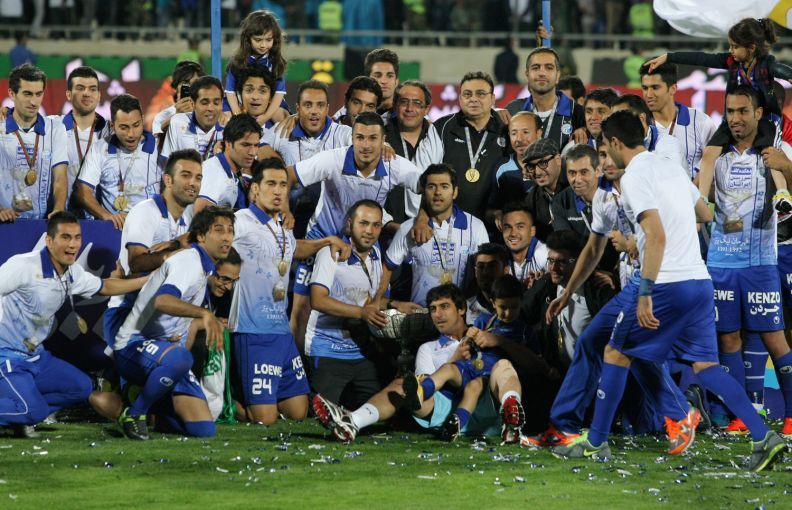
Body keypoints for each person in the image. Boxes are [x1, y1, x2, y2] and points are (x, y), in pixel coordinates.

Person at [551, 110, 786, 473]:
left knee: (615, 352)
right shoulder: (669, 168)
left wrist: (645, 293)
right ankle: (763, 436)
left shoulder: (635, 176)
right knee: (706, 366)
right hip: (698, 281)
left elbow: (656, 235)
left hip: (664, 283)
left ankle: (596, 443)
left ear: (614, 142)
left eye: (605, 149)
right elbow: (703, 213)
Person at [530, 114, 692, 451]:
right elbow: (593, 249)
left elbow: (686, 221)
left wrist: (642, 255)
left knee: (634, 350)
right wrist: (567, 293)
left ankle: (679, 413)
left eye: (604, 155)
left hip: (656, 285)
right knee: (595, 343)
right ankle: (565, 426)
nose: (604, 162)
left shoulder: (643, 181)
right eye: (600, 155)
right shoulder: (605, 199)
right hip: (634, 287)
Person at [312, 283, 524, 444]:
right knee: (402, 386)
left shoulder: (486, 332)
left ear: (461, 309)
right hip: (447, 410)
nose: (437, 314)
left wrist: (499, 341)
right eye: (432, 309)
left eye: (444, 307)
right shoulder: (427, 349)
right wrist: (455, 358)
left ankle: (512, 417)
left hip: (487, 406)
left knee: (503, 365)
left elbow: (533, 366)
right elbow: (423, 387)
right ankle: (353, 422)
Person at [0, 212, 147, 437]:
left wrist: (149, 281)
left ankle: (21, 416)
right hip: (7, 358)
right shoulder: (23, 265)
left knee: (81, 387)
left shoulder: (72, 272)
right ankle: (25, 412)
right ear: (49, 241)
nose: (73, 244)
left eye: (77, 237)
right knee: (32, 410)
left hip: (36, 357)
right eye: (65, 237)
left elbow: (105, 287)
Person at [286, 112, 422, 353]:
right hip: (323, 237)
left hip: (365, 242)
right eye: (360, 137)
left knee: (373, 305)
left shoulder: (395, 165)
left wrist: (422, 218)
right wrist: (285, 211)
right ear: (352, 138)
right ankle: (299, 367)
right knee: (302, 309)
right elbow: (288, 175)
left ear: (383, 140)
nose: (366, 145)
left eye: (373, 138)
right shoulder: (332, 159)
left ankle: (365, 362)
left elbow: (430, 185)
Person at [228, 158, 350, 425]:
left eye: (283, 185)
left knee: (298, 411)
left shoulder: (281, 226)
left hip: (281, 332)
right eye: (271, 184)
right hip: (252, 331)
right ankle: (221, 402)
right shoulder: (241, 221)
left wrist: (326, 241)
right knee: (265, 419)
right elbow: (210, 242)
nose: (278, 191)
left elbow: (295, 249)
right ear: (255, 189)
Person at [706, 86, 792, 438]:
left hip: (760, 263)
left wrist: (786, 168)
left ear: (758, 113)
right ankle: (741, 416)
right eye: (730, 111)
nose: (735, 118)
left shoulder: (776, 151)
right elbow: (704, 196)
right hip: (720, 262)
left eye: (743, 111)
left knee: (774, 338)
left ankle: (791, 416)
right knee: (727, 339)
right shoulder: (716, 155)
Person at [113, 206, 234, 440]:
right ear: (201, 236)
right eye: (219, 230)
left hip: (165, 352)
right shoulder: (189, 261)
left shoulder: (204, 267)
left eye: (230, 231)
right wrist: (205, 314)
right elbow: (163, 301)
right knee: (182, 358)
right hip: (133, 344)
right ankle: (134, 413)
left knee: (203, 429)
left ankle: (155, 405)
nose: (227, 237)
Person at [644, 18, 792, 210]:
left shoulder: (766, 65)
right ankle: (701, 198)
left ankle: (782, 194)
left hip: (764, 119)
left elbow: (781, 70)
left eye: (735, 46)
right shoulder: (731, 62)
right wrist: (669, 57)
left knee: (770, 154)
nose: (731, 50)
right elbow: (702, 58)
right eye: (730, 46)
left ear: (751, 48)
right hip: (735, 118)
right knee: (709, 152)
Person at [402, 275, 528, 441]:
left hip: (491, 378)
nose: (508, 312)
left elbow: (533, 362)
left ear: (521, 303)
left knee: (475, 386)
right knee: (448, 369)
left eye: (513, 307)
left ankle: (461, 422)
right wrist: (470, 338)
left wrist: (499, 341)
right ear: (493, 303)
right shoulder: (484, 321)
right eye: (503, 307)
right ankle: (420, 392)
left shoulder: (524, 331)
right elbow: (468, 340)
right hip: (471, 368)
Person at [103, 149, 202, 352]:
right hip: (127, 311)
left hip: (161, 316)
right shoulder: (146, 211)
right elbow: (137, 263)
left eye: (198, 177)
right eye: (186, 175)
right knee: (171, 364)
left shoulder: (188, 219)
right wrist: (174, 253)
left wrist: (175, 245)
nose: (193, 183)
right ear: (168, 180)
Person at [306, 200, 389, 406]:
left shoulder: (377, 254)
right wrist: (361, 313)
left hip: (362, 352)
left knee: (373, 411)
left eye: (376, 225)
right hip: (328, 349)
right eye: (363, 223)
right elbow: (317, 299)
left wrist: (396, 304)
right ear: (349, 224)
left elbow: (373, 301)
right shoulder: (331, 253)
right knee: (321, 412)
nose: (369, 231)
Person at [379, 164, 489, 306]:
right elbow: (388, 266)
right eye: (431, 186)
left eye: (444, 186)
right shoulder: (408, 228)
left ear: (455, 192)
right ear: (423, 192)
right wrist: (380, 301)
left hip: (462, 313)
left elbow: (485, 272)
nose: (437, 192)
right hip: (421, 312)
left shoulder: (476, 227)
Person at [260, 80, 353, 236]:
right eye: (308, 105)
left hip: (330, 224)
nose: (314, 111)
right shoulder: (283, 130)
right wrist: (274, 160)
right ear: (298, 109)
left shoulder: (342, 134)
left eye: (320, 105)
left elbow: (365, 145)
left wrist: (383, 146)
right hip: (287, 216)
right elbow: (258, 147)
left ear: (327, 109)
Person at [75, 94, 160, 229]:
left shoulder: (159, 148)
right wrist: (106, 216)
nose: (131, 134)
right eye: (124, 127)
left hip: (151, 228)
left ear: (142, 120)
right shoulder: (99, 148)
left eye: (136, 125)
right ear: (112, 125)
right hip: (113, 229)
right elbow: (83, 191)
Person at [435, 71, 508, 221]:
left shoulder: (507, 130)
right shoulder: (442, 128)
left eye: (481, 94)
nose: (473, 99)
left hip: (493, 221)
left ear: (493, 98)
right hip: (448, 220)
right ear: (460, 99)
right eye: (467, 94)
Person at [0, 64, 68, 222]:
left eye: (38, 94)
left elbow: (60, 177)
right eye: (27, 94)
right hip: (5, 222)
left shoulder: (55, 128)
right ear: (12, 93)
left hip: (42, 223)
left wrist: (58, 209)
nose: (34, 102)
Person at [639, 62, 716, 180]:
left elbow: (714, 164)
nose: (648, 95)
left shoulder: (700, 122)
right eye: (645, 88)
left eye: (655, 87)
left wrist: (691, 189)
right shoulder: (638, 125)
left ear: (673, 89)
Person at [384, 80, 444, 222]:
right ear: (395, 105)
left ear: (426, 109)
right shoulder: (381, 137)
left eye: (417, 103)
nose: (409, 108)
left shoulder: (439, 138)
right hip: (386, 226)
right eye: (404, 102)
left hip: (429, 224)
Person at [504, 48, 586, 149]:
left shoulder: (577, 112)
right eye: (536, 68)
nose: (542, 73)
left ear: (558, 76)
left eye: (549, 68)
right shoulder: (513, 109)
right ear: (527, 74)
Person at [59, 66, 110, 212]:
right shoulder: (54, 126)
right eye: (80, 88)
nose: (87, 93)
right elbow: (26, 121)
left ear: (99, 95)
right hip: (62, 216)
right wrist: (8, 112)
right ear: (68, 94)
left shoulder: (111, 132)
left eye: (92, 89)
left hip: (98, 217)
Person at [225, 10, 288, 124]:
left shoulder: (277, 63)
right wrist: (238, 116)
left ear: (275, 39)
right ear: (248, 38)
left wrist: (265, 117)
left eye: (268, 40)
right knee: (225, 116)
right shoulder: (237, 62)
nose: (263, 45)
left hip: (270, 104)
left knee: (282, 117)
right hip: (240, 102)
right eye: (258, 40)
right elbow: (230, 92)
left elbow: (279, 94)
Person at [195, 113, 261, 213]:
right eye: (245, 145)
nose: (252, 152)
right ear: (228, 143)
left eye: (256, 145)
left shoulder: (232, 172)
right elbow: (200, 210)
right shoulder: (214, 171)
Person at [486, 112, 543, 226]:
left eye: (525, 132)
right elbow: (489, 211)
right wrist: (497, 214)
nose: (519, 139)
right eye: (514, 133)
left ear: (539, 133)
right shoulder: (502, 168)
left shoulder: (552, 165)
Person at [159, 76, 224, 166]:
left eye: (216, 103)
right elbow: (168, 163)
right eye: (205, 103)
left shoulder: (228, 130)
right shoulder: (178, 122)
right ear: (193, 104)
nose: (211, 108)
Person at [521, 138, 567, 242]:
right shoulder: (531, 200)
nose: (537, 172)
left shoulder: (576, 186)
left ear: (558, 160)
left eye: (543, 163)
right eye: (531, 166)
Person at [152, 61, 205, 142]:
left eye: (195, 83)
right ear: (175, 87)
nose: (191, 87)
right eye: (185, 83)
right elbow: (158, 145)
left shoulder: (208, 113)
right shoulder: (162, 117)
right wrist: (177, 116)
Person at [500, 203, 549, 288]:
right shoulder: (499, 258)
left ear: (532, 231)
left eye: (520, 227)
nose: (513, 233)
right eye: (507, 227)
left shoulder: (545, 254)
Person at [467, 243, 510, 324]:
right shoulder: (466, 309)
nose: (485, 272)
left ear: (506, 270)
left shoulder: (519, 305)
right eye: (481, 267)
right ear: (475, 272)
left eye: (492, 266)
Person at [234, 64, 277, 134]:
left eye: (263, 91)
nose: (255, 97)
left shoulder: (279, 131)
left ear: (271, 98)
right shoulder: (225, 127)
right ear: (240, 95)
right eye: (249, 90)